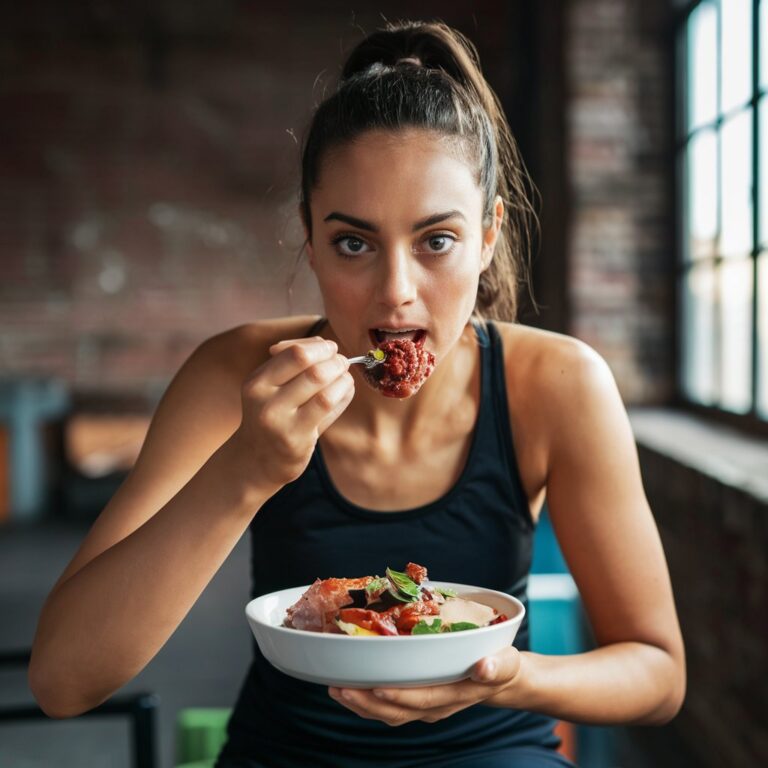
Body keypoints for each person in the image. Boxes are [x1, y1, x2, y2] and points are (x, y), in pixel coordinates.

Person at [28, 20, 686, 768]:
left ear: (489, 235)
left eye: (436, 240)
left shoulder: (559, 384)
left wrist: (502, 677)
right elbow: (63, 682)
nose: (395, 295)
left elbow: (658, 674)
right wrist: (245, 470)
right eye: (353, 243)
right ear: (309, 239)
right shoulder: (233, 373)